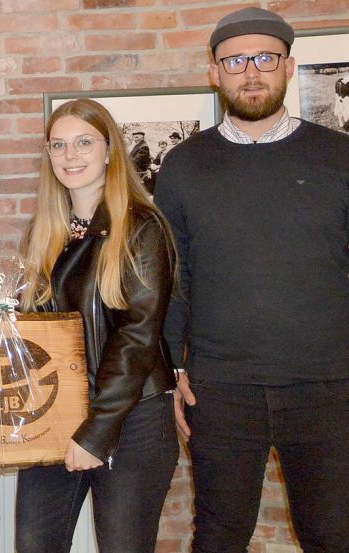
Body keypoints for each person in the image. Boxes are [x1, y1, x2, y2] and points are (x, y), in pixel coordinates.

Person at [154, 7, 349, 552]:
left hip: (328, 385)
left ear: (288, 66)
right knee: (218, 536)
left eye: (265, 57)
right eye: (235, 60)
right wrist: (175, 366)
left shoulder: (339, 157)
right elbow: (174, 275)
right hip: (220, 387)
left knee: (333, 535)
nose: (251, 71)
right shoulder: (184, 166)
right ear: (214, 72)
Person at [15, 98, 178, 553]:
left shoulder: (142, 227)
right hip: (58, 412)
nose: (71, 155)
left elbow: (137, 336)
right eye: (59, 145)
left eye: (84, 142)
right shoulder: (43, 232)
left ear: (110, 150)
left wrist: (97, 431)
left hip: (132, 418)